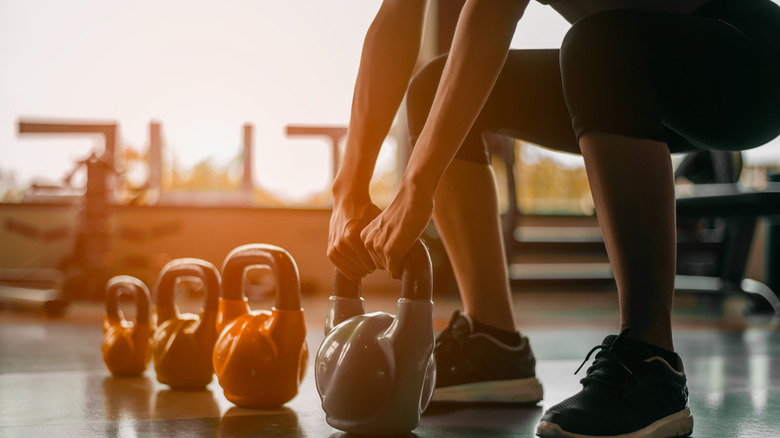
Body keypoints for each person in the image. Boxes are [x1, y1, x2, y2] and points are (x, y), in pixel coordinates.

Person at [326, 0, 780, 436]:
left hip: (747, 56)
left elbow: (492, 9)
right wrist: (348, 192)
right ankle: (494, 345)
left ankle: (650, 362)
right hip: (626, 69)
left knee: (597, 43)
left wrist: (415, 188)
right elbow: (397, 16)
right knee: (433, 86)